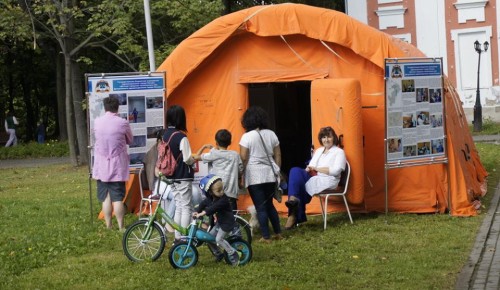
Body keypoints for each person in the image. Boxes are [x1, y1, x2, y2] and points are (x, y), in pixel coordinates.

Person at [285, 126, 346, 229]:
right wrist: (306, 171)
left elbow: (336, 171)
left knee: (299, 181)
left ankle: (293, 214)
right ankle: (293, 200)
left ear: (334, 138)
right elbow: (311, 166)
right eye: (324, 137)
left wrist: (317, 169)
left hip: (329, 180)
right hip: (315, 176)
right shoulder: (319, 150)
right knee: (294, 171)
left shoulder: (339, 152)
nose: (326, 140)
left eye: (329, 137)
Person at [239, 106, 282, 243]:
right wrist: (277, 171)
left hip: (254, 175)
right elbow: (278, 154)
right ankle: (278, 233)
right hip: (270, 173)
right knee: (269, 205)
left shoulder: (246, 137)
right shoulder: (271, 134)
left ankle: (266, 236)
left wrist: (240, 174)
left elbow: (244, 158)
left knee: (260, 206)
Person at [92, 97, 133, 230]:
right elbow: (130, 140)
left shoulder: (97, 122)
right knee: (117, 198)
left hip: (102, 165)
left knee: (105, 197)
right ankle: (121, 227)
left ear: (105, 108)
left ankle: (108, 225)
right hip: (117, 166)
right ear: (118, 107)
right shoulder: (122, 123)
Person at [159, 105, 195, 241]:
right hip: (182, 176)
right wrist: (194, 159)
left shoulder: (165, 135)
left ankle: (178, 237)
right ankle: (184, 238)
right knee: (185, 207)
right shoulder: (181, 137)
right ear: (181, 119)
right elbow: (187, 158)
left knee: (179, 205)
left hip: (170, 176)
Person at [193, 174, 241, 266]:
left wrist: (202, 213)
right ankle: (218, 254)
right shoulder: (211, 198)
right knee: (208, 238)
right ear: (210, 192)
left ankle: (233, 253)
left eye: (222, 189)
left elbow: (213, 208)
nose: (222, 192)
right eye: (219, 190)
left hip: (227, 223)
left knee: (219, 239)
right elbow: (203, 203)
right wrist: (197, 211)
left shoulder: (223, 200)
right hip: (220, 223)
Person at [193, 129, 243, 211]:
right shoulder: (235, 155)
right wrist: (239, 181)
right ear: (230, 142)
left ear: (216, 142)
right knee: (232, 218)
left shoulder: (214, 154)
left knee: (217, 216)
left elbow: (196, 157)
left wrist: (204, 146)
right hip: (231, 193)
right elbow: (240, 169)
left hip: (217, 192)